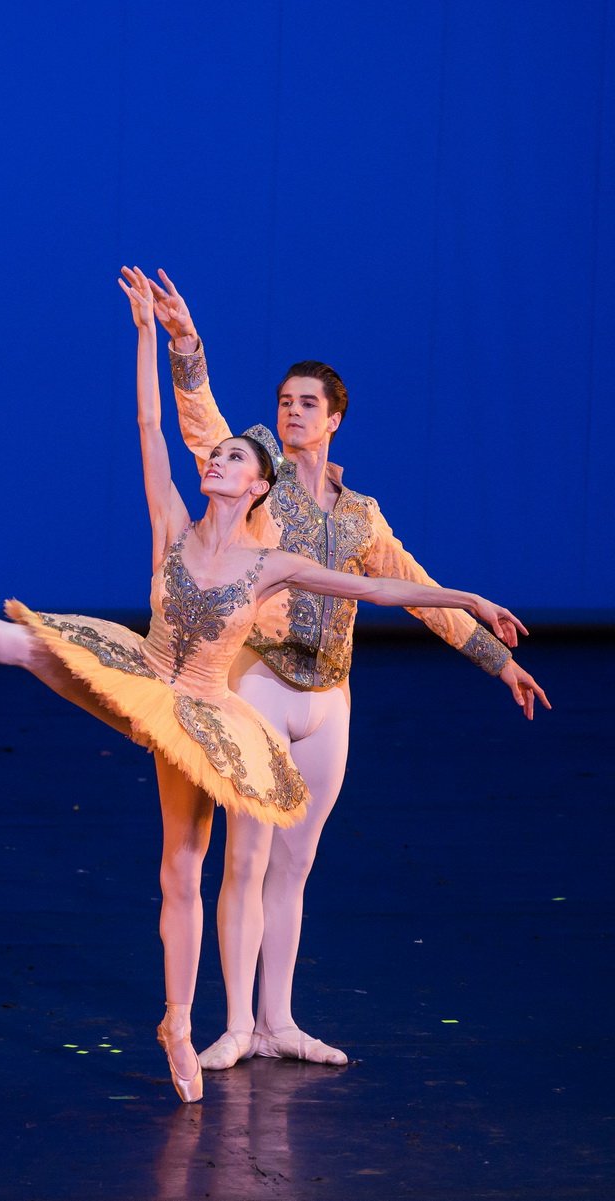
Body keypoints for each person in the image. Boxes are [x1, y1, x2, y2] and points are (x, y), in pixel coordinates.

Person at [0, 268, 528, 1103]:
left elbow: (387, 588)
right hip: (157, 677)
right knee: (20, 645)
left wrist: (473, 604)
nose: (226, 454)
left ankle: (198, 1021)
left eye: (240, 453)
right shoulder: (178, 515)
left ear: (265, 476)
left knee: (195, 867)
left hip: (213, 711)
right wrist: (153, 336)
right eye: (232, 443)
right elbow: (157, 424)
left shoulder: (292, 550)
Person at [144, 267, 551, 1071]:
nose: (291, 411)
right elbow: (202, 427)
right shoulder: (260, 489)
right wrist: (185, 342)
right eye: (284, 400)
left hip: (330, 698)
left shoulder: (361, 515)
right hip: (259, 683)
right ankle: (234, 1025)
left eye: (307, 403)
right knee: (247, 860)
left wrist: (498, 659)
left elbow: (413, 589)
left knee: (295, 866)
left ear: (334, 419)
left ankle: (279, 1021)